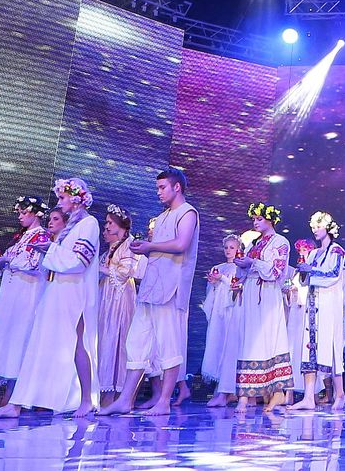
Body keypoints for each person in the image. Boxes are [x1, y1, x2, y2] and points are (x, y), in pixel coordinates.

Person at [8, 181, 101, 419]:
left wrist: (49, 249)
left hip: (75, 293)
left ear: (76, 199)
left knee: (78, 344)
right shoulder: (72, 226)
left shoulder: (89, 224)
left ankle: (87, 399)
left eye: (62, 198)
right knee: (41, 343)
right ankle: (17, 403)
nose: (59, 203)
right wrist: (48, 249)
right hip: (58, 290)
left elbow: (78, 261)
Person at [127, 166, 202, 414]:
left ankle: (164, 401)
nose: (158, 192)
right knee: (137, 340)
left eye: (162, 187)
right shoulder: (161, 217)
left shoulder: (187, 212)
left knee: (169, 344)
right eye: (157, 188)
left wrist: (150, 246)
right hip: (152, 286)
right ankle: (125, 399)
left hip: (171, 286)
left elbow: (181, 244)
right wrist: (145, 248)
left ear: (176, 187)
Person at [0, 194, 50, 411]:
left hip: (26, 295)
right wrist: (0, 263)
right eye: (19, 213)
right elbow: (11, 262)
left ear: (36, 214)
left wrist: (8, 260)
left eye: (24, 213)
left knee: (17, 341)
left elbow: (34, 265)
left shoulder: (42, 237)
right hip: (9, 294)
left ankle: (10, 397)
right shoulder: (20, 237)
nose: (20, 217)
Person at [232, 202, 295, 413]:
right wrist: (242, 267)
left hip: (267, 294)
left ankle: (277, 391)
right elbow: (246, 269)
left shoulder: (281, 242)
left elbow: (276, 272)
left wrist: (253, 263)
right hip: (252, 293)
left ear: (270, 220)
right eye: (254, 219)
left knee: (269, 340)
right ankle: (244, 396)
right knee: (249, 341)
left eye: (259, 219)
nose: (255, 223)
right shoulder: (254, 243)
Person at [291, 211, 345, 410]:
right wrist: (303, 271)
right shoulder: (314, 253)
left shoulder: (337, 251)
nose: (315, 230)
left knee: (331, 348)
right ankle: (309, 397)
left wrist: (311, 270)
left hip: (328, 305)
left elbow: (333, 274)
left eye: (318, 226)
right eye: (313, 227)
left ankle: (340, 394)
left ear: (328, 227)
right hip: (312, 305)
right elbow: (306, 280)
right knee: (310, 349)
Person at [89, 207, 145, 414]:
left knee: (118, 338)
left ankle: (118, 394)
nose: (106, 227)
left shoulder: (129, 245)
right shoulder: (111, 249)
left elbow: (126, 272)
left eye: (110, 223)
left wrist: (102, 269)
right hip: (107, 295)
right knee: (106, 339)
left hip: (120, 297)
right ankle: (104, 393)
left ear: (121, 225)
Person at [202, 234, 246, 405]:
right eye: (226, 247)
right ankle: (221, 388)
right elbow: (210, 292)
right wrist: (214, 283)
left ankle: (227, 390)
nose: (228, 251)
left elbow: (238, 287)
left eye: (232, 248)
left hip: (232, 311)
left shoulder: (240, 267)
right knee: (217, 344)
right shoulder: (218, 267)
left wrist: (223, 279)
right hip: (219, 312)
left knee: (230, 347)